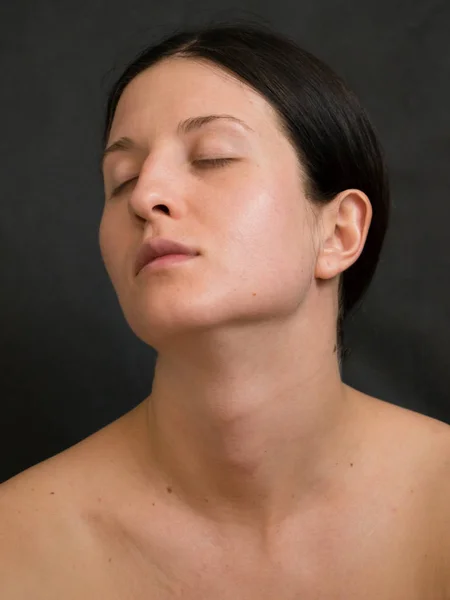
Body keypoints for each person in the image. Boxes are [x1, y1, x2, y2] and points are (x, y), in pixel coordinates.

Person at [1, 19, 449, 599]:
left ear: (338, 232)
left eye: (212, 157)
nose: (145, 195)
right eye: (122, 178)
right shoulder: (17, 547)